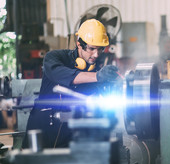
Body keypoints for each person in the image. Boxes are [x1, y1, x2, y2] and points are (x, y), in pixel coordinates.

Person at [22, 19, 119, 149]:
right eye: (92, 48)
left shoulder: (95, 72)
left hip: (71, 137)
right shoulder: (54, 58)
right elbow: (61, 75)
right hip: (42, 133)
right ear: (79, 44)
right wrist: (97, 76)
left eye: (100, 49)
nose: (96, 54)